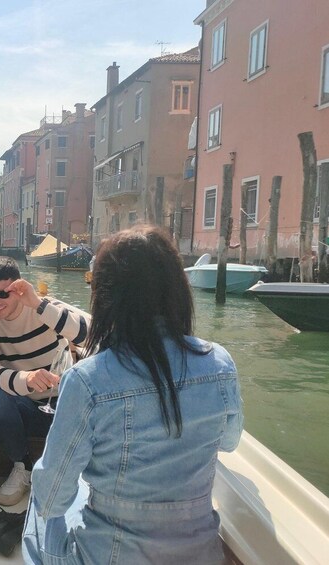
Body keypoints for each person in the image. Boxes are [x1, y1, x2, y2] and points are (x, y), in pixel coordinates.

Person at [22, 225, 243, 565]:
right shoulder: (220, 364)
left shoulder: (87, 381)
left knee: (43, 492)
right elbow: (228, 442)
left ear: (107, 297)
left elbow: (52, 500)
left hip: (112, 556)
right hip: (200, 556)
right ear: (177, 290)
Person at [0, 256, 91, 506]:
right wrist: (26, 379)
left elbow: (89, 335)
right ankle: (23, 467)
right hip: (26, 411)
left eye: (3, 294)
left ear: (18, 288)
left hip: (64, 408)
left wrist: (38, 304)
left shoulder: (45, 308)